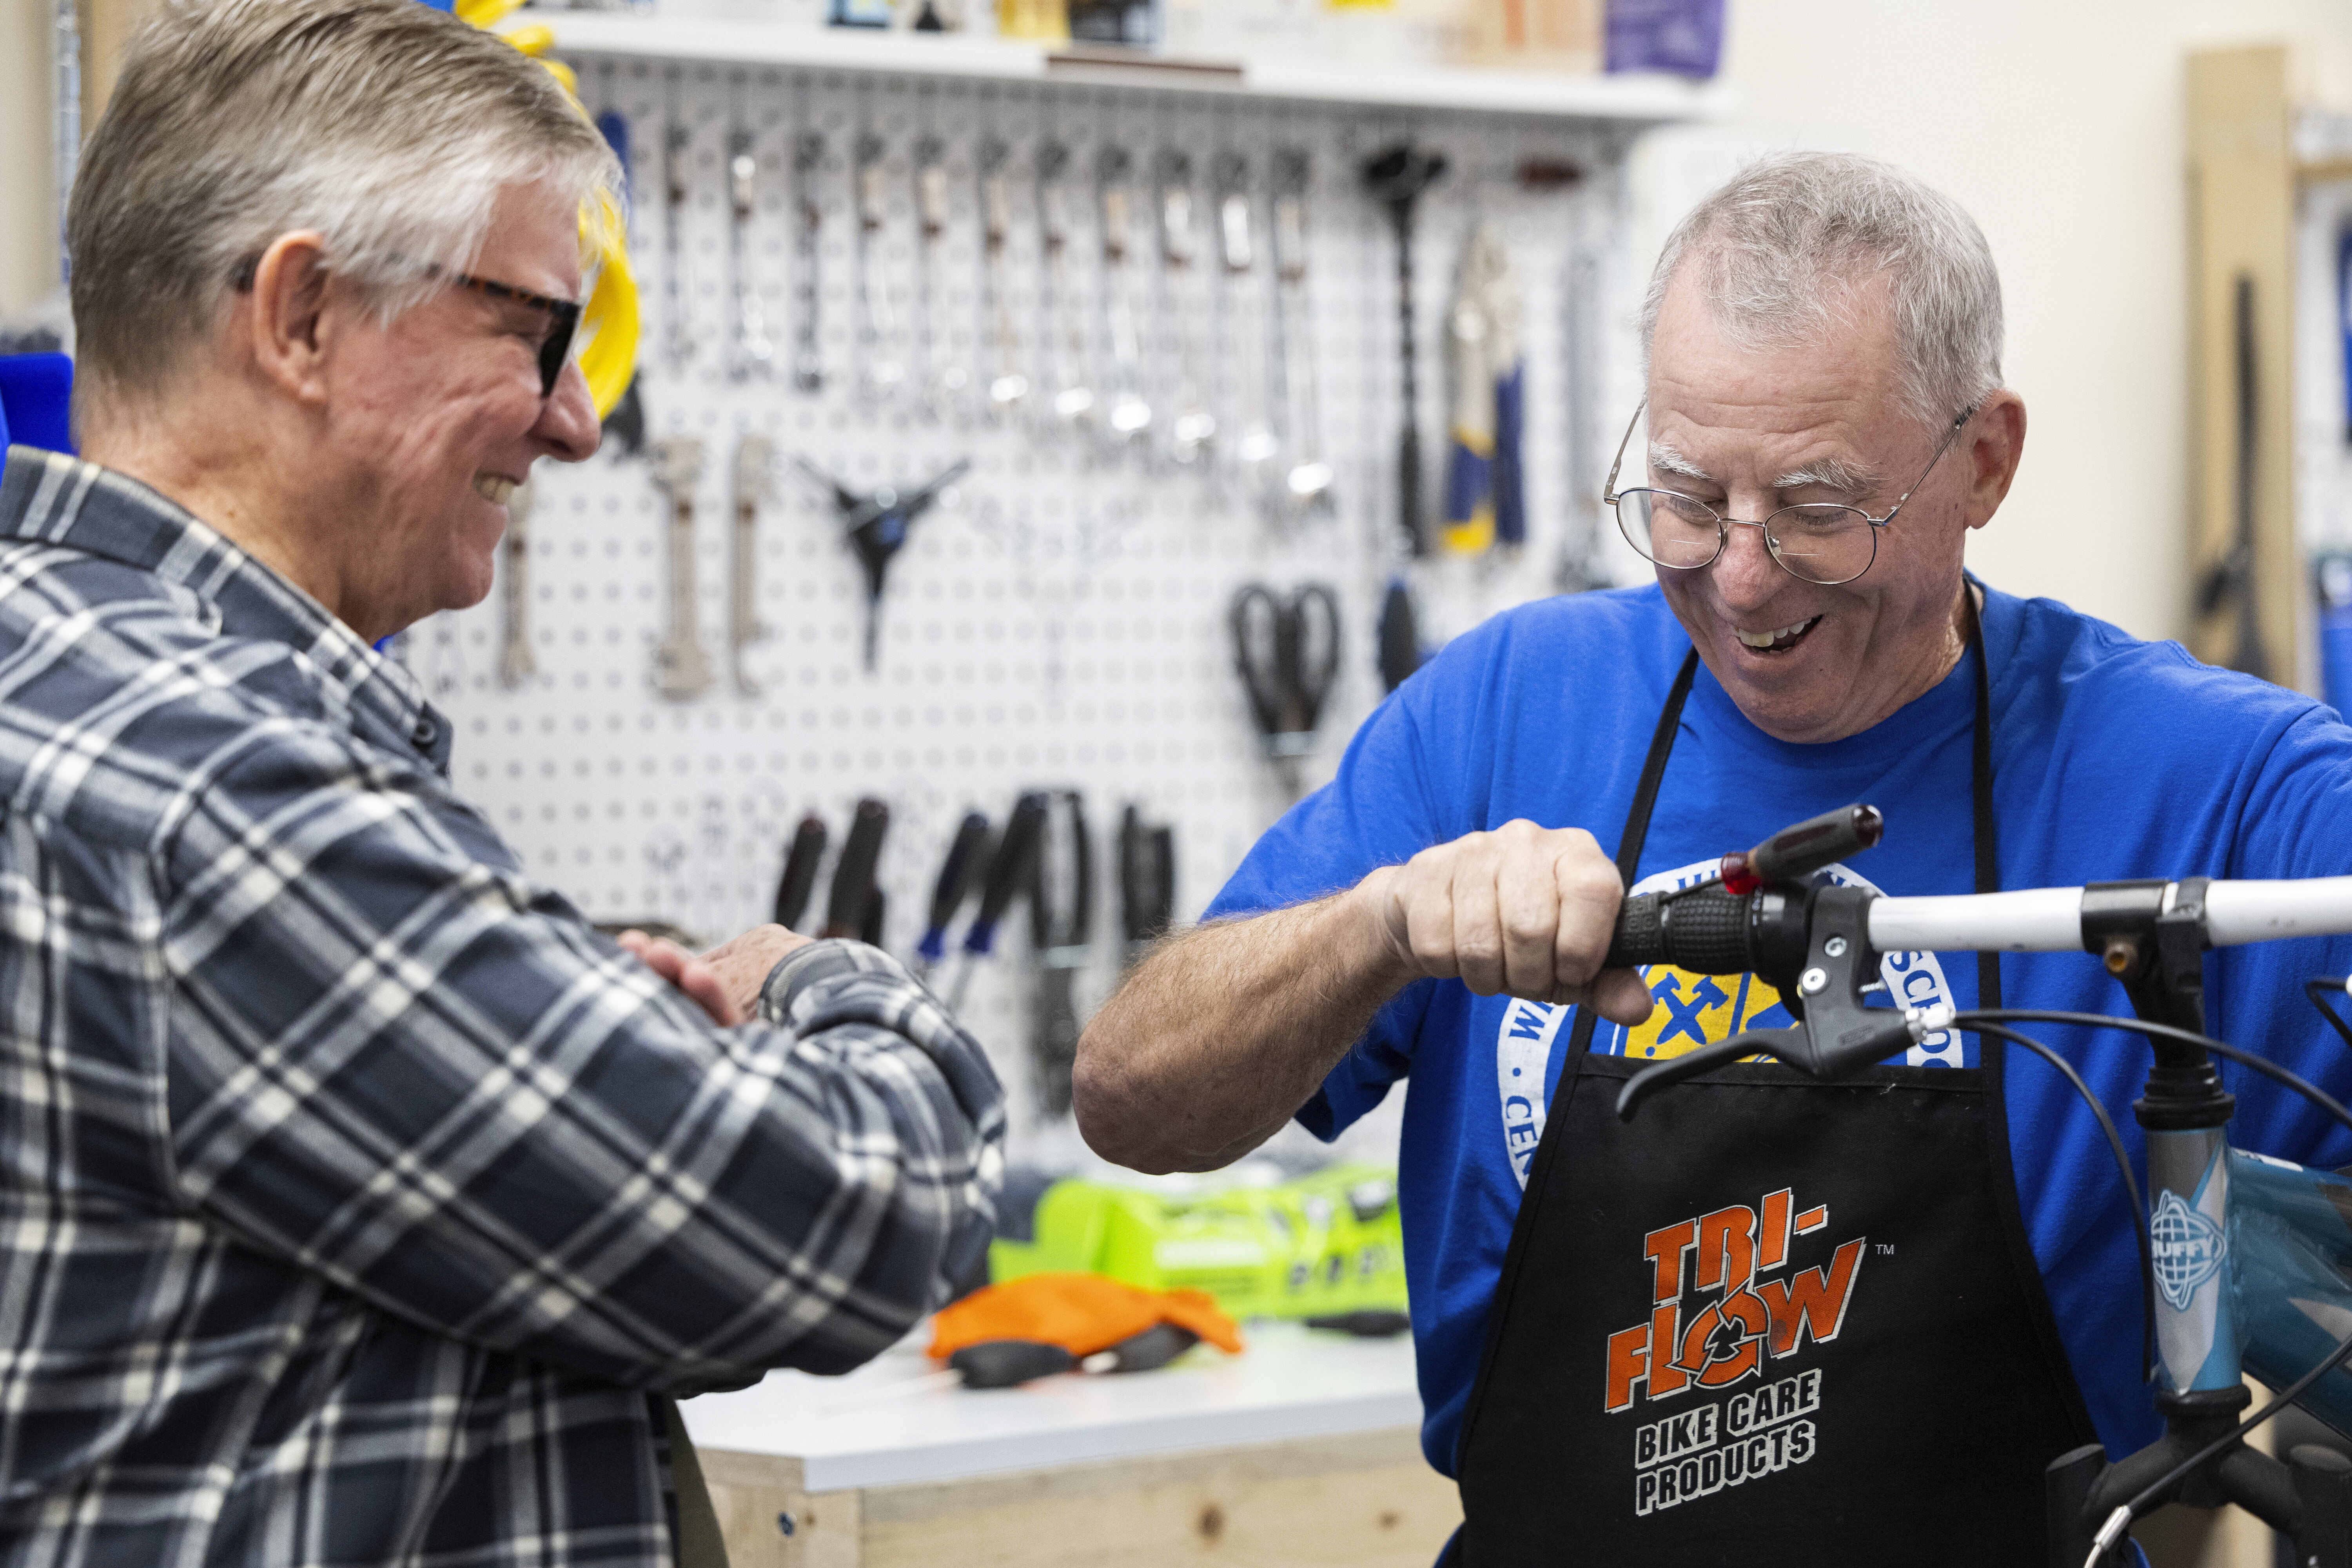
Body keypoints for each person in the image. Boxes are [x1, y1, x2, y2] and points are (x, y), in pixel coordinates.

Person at [1076, 151, 2352, 1563]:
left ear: (1983, 460)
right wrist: (1380, 923)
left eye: (1818, 507)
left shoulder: (2210, 783)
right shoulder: (1507, 712)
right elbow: (1134, 1102)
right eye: (1685, 496)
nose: (1741, 578)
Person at [0, 1, 1002, 1563]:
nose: (580, 420)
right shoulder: (225, 797)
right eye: (538, 329)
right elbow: (857, 1219)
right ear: (304, 315)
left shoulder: (55, 679)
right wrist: (810, 983)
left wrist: (542, 1001)